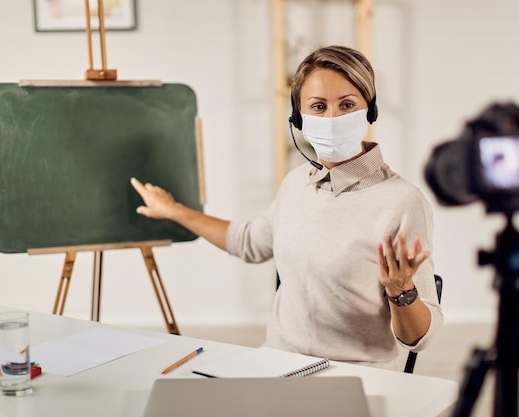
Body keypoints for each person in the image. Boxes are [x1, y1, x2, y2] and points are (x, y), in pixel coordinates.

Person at [130, 45, 442, 370]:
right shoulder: (296, 184)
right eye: (318, 106)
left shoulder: (401, 202)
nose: (332, 118)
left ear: (369, 111)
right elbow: (250, 242)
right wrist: (173, 210)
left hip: (355, 375)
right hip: (277, 363)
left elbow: (420, 337)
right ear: (299, 118)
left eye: (347, 104)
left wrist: (401, 292)